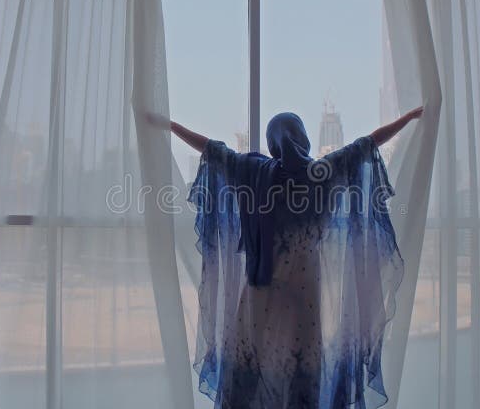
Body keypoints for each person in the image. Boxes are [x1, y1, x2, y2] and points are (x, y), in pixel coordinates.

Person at [152, 107, 422, 409]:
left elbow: (211, 150)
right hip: (303, 295)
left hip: (258, 294)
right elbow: (368, 143)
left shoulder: (251, 173)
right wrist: (407, 118)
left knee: (252, 367)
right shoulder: (323, 173)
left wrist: (171, 125)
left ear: (273, 142)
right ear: (302, 138)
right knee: (301, 369)